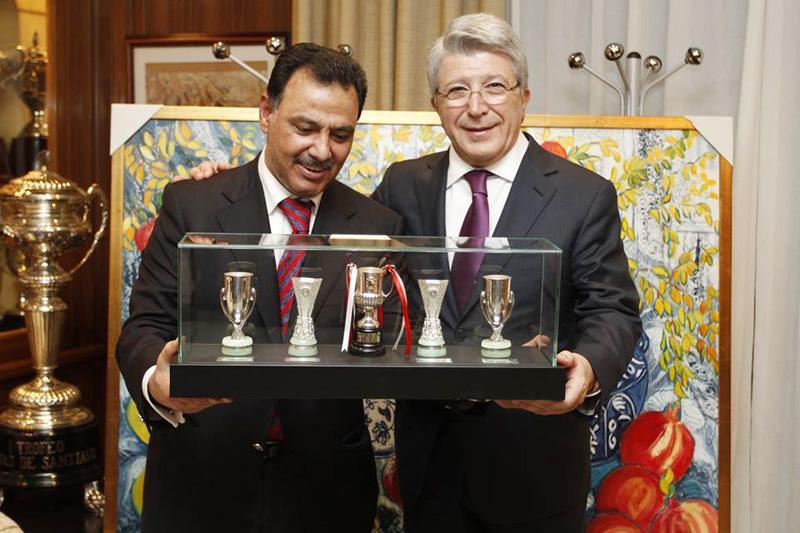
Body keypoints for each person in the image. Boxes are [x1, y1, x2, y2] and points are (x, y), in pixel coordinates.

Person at [371, 14, 642, 532]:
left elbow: (612, 308)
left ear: (524, 96)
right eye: (457, 90)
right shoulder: (402, 185)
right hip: (429, 468)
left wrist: (587, 368)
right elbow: (347, 247)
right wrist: (224, 187)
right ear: (436, 104)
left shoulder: (583, 195)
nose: (476, 107)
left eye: (494, 86)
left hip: (535, 467)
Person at [116, 43, 403, 532]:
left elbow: (388, 345)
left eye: (340, 134)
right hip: (202, 479)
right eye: (305, 128)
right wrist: (157, 384)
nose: (322, 150)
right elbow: (143, 327)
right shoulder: (193, 204)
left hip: (327, 489)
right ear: (266, 113)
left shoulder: (377, 226)